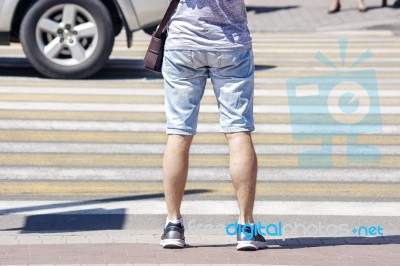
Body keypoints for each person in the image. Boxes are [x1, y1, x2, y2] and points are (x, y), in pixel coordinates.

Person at [159, 0, 267, 251]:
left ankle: (173, 225)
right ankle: (246, 227)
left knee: (179, 132)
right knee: (238, 130)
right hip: (230, 43)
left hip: (183, 43)